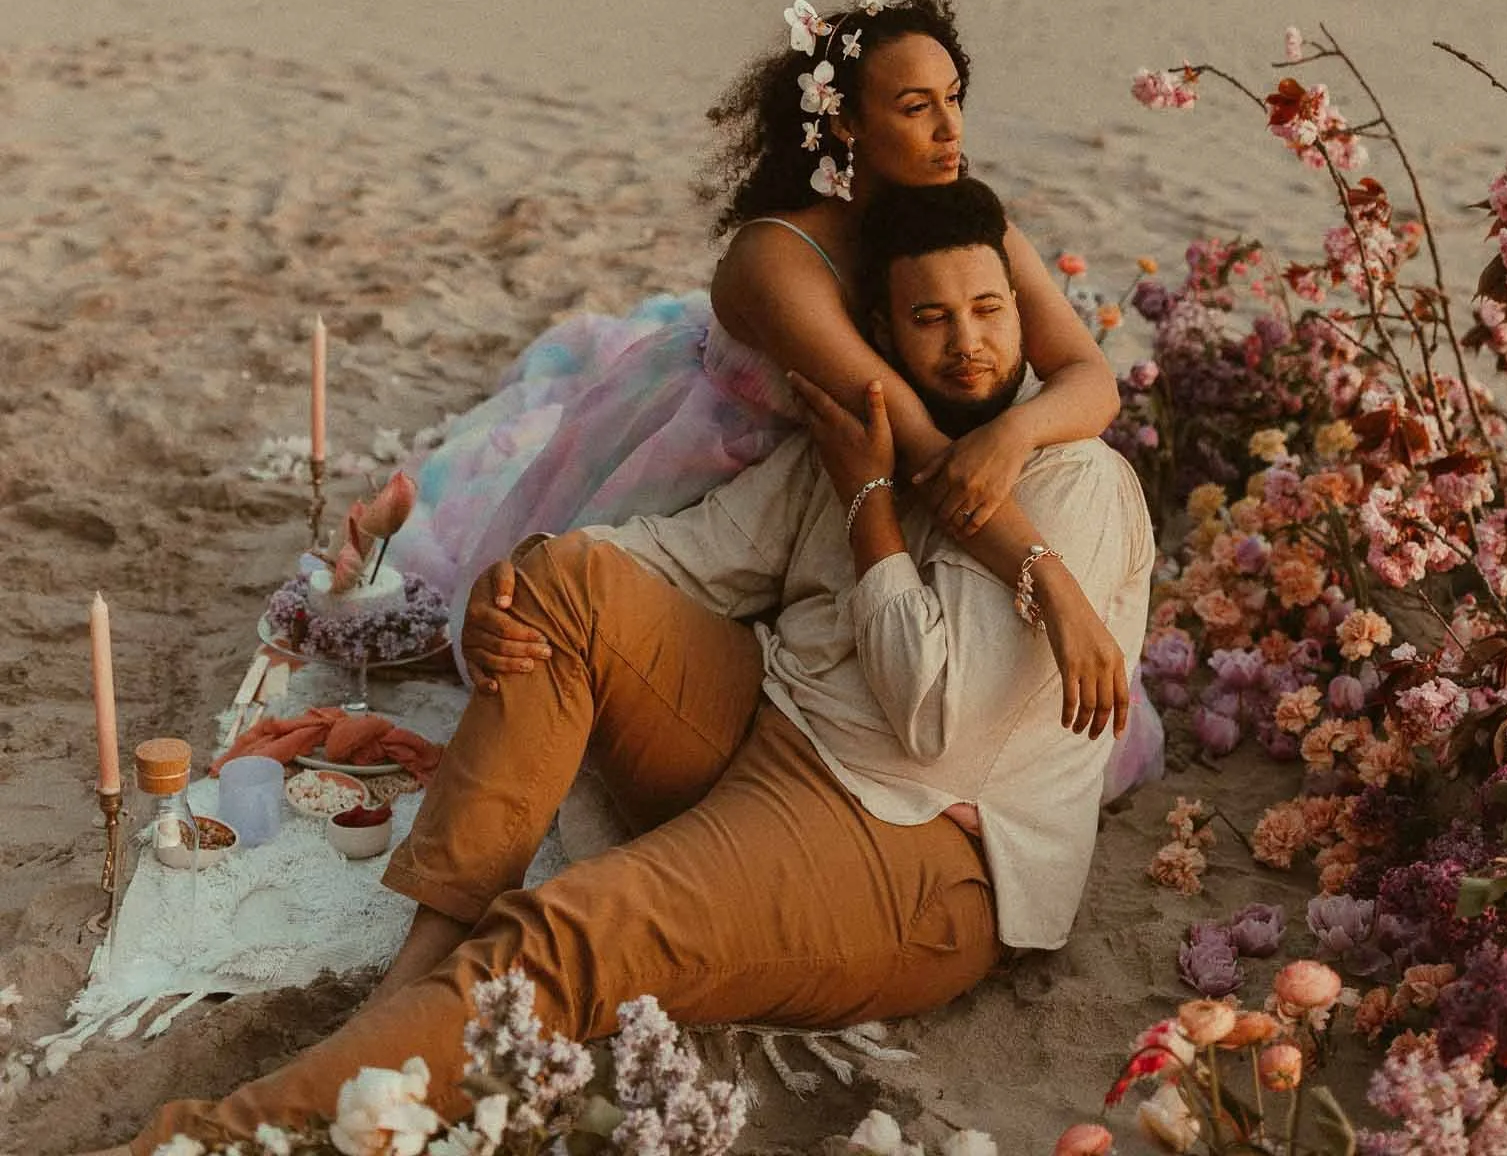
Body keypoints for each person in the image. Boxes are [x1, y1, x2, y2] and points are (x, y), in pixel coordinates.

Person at [117, 181, 1153, 1156]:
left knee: (564, 934)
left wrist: (872, 513)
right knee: (566, 579)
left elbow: (934, 723)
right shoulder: (846, 438)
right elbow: (681, 552)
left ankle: (217, 1135)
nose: (968, 342)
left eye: (988, 310)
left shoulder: (1076, 484)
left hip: (915, 849)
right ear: (881, 335)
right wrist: (507, 587)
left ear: (1024, 318)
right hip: (765, 733)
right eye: (930, 317)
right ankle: (419, 970)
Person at [393, 0, 1123, 649]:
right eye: (914, 107)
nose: (949, 129)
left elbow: (1090, 376)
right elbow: (920, 449)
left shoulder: (961, 223)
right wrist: (1051, 584)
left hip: (848, 486)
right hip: (714, 482)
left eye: (954, 97)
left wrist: (1018, 431)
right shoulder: (776, 260)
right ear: (843, 124)